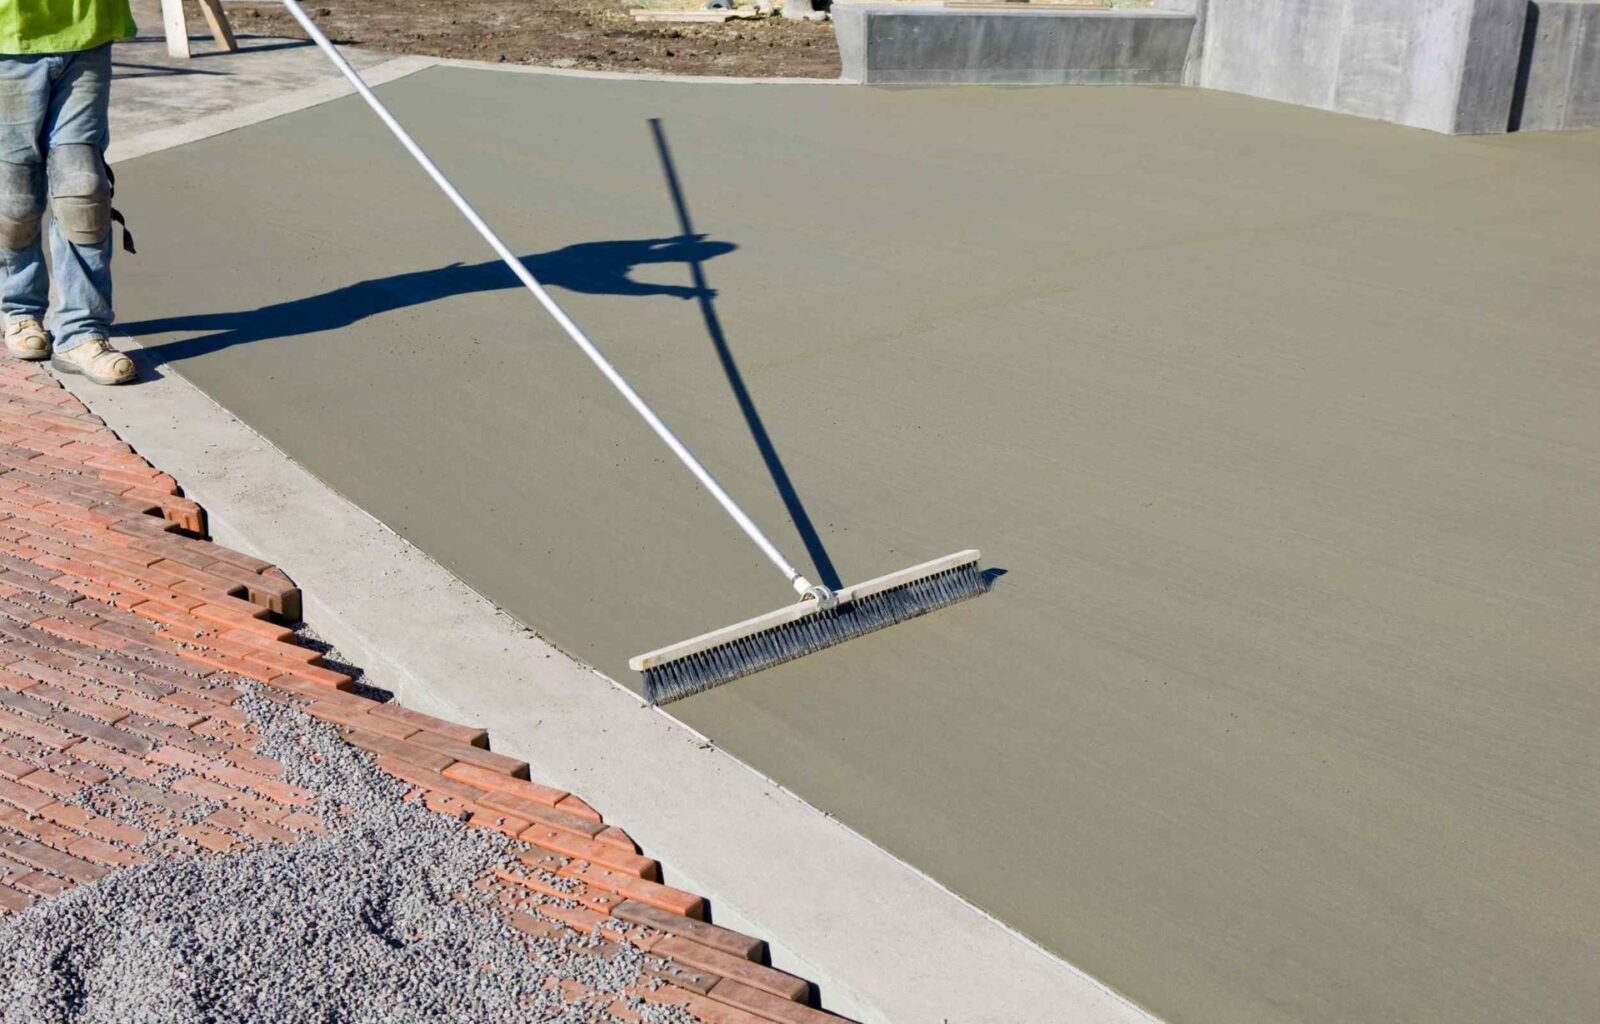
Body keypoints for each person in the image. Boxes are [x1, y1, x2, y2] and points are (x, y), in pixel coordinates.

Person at [0, 0, 137, 385]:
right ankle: (20, 308)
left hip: (88, 28)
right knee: (15, 194)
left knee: (84, 189)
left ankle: (83, 331)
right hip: (8, 37)